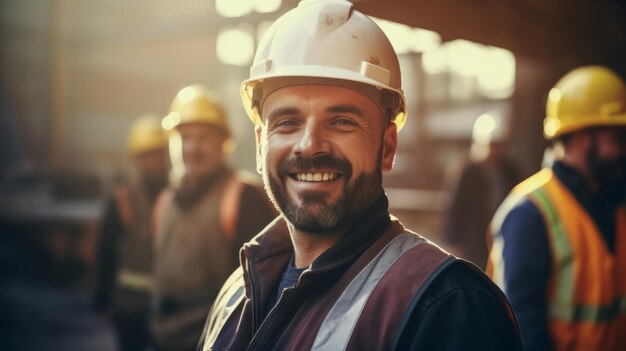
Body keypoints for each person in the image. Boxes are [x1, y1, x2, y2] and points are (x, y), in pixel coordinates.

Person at [198, 1, 522, 350]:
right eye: (287, 122)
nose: (309, 146)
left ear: (387, 145)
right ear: (262, 143)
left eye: (342, 122)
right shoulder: (235, 294)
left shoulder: (445, 305)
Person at [487, 65, 626, 350]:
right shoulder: (529, 213)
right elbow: (522, 331)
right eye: (616, 139)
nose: (622, 151)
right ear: (583, 137)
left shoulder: (614, 204)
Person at [151, 84, 276, 351]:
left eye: (203, 138)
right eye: (185, 138)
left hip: (219, 341)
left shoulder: (243, 197)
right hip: (164, 338)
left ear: (223, 143)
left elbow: (264, 294)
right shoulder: (166, 201)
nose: (193, 148)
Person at [96, 115, 170, 351]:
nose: (154, 162)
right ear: (137, 159)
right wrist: (102, 297)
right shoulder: (123, 197)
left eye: (158, 154)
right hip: (128, 307)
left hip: (168, 307)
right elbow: (105, 247)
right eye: (146, 156)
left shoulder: (178, 194)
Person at [441, 112, 521, 269]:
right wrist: (454, 244)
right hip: (473, 243)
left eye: (498, 145)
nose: (494, 150)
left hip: (501, 239)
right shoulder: (466, 170)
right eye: (491, 145)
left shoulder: (510, 170)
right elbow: (454, 208)